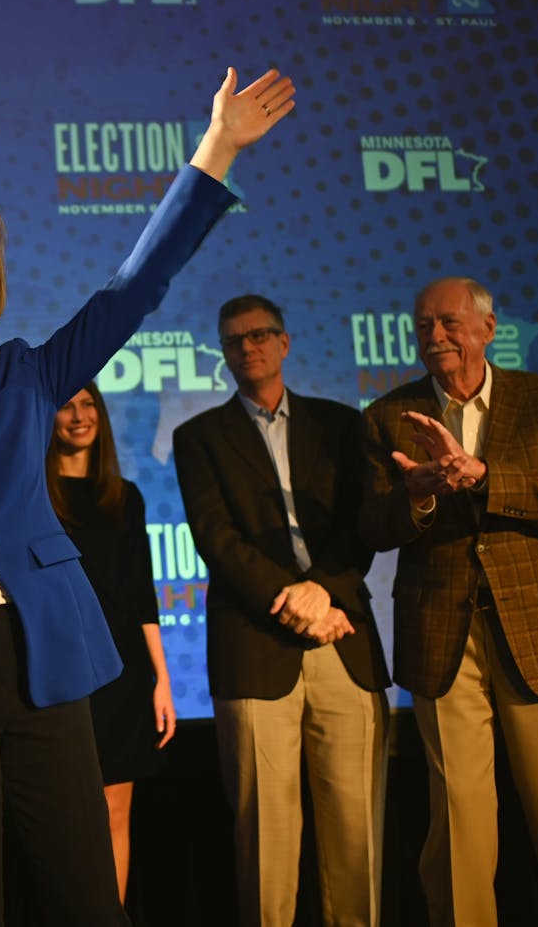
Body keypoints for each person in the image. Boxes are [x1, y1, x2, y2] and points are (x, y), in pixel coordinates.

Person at [0, 65, 295, 927]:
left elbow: (132, 288)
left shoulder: (28, 376)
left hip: (45, 657)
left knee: (85, 898)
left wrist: (216, 148)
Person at [359, 277, 538, 927]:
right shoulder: (388, 416)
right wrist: (417, 494)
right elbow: (370, 526)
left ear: (488, 328)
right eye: (424, 326)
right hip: (441, 635)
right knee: (457, 831)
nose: (436, 336)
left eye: (449, 323)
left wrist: (482, 478)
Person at [172, 294, 390, 927]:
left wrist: (323, 591)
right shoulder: (199, 438)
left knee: (359, 836)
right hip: (255, 646)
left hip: (343, 639)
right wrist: (297, 603)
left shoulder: (344, 425)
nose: (249, 347)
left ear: (285, 342)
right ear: (223, 353)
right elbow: (217, 539)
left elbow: (363, 524)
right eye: (235, 340)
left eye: (261, 334)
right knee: (265, 839)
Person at [45, 381, 176, 905]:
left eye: (89, 404)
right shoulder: (31, 496)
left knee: (116, 813)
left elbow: (141, 597)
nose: (80, 416)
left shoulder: (126, 497)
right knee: (61, 819)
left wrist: (163, 680)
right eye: (67, 406)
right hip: (58, 673)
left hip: (123, 677)